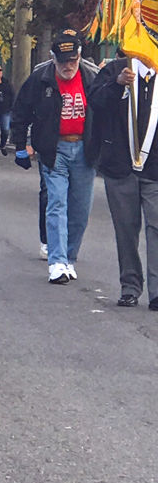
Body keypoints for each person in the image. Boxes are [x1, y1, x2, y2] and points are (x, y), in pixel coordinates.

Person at [11, 29, 98, 285]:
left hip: (84, 149)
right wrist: (20, 145)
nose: (68, 66)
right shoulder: (40, 78)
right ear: (53, 58)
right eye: (62, 61)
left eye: (72, 60)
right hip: (53, 149)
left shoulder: (92, 77)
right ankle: (57, 261)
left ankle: (69, 258)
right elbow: (21, 112)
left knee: (81, 208)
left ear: (80, 56)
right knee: (56, 203)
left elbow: (106, 111)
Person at [90, 53, 158, 309]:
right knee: (126, 230)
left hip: (155, 168)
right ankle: (130, 286)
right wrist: (117, 84)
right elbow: (95, 102)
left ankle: (157, 291)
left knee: (157, 228)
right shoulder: (116, 70)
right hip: (120, 166)